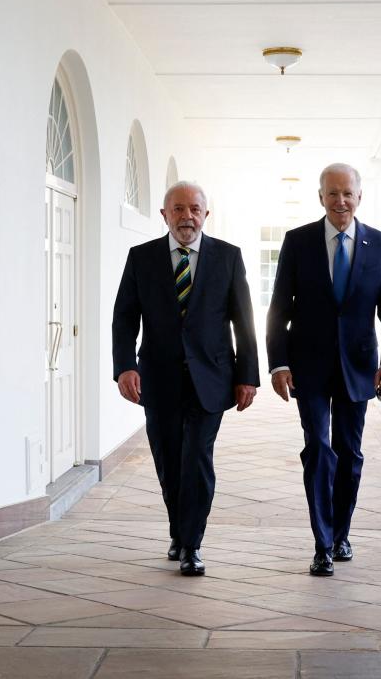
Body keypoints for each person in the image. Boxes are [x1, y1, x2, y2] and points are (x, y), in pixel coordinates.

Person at [112, 181, 259, 576]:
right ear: (164, 215)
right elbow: (125, 316)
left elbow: (244, 321)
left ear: (206, 215)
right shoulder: (141, 258)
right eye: (178, 209)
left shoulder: (228, 258)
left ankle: (192, 544)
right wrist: (125, 366)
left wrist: (248, 376)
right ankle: (179, 531)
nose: (186, 216)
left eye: (194, 209)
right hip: (157, 379)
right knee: (168, 460)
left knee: (196, 459)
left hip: (211, 378)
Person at [266, 163, 381, 576]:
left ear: (359, 197)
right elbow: (279, 310)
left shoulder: (379, 244)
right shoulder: (298, 242)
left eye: (347, 193)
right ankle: (322, 543)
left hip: (360, 368)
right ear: (321, 196)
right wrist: (279, 363)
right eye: (332, 193)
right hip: (307, 366)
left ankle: (342, 533)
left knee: (350, 453)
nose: (340, 201)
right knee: (319, 450)